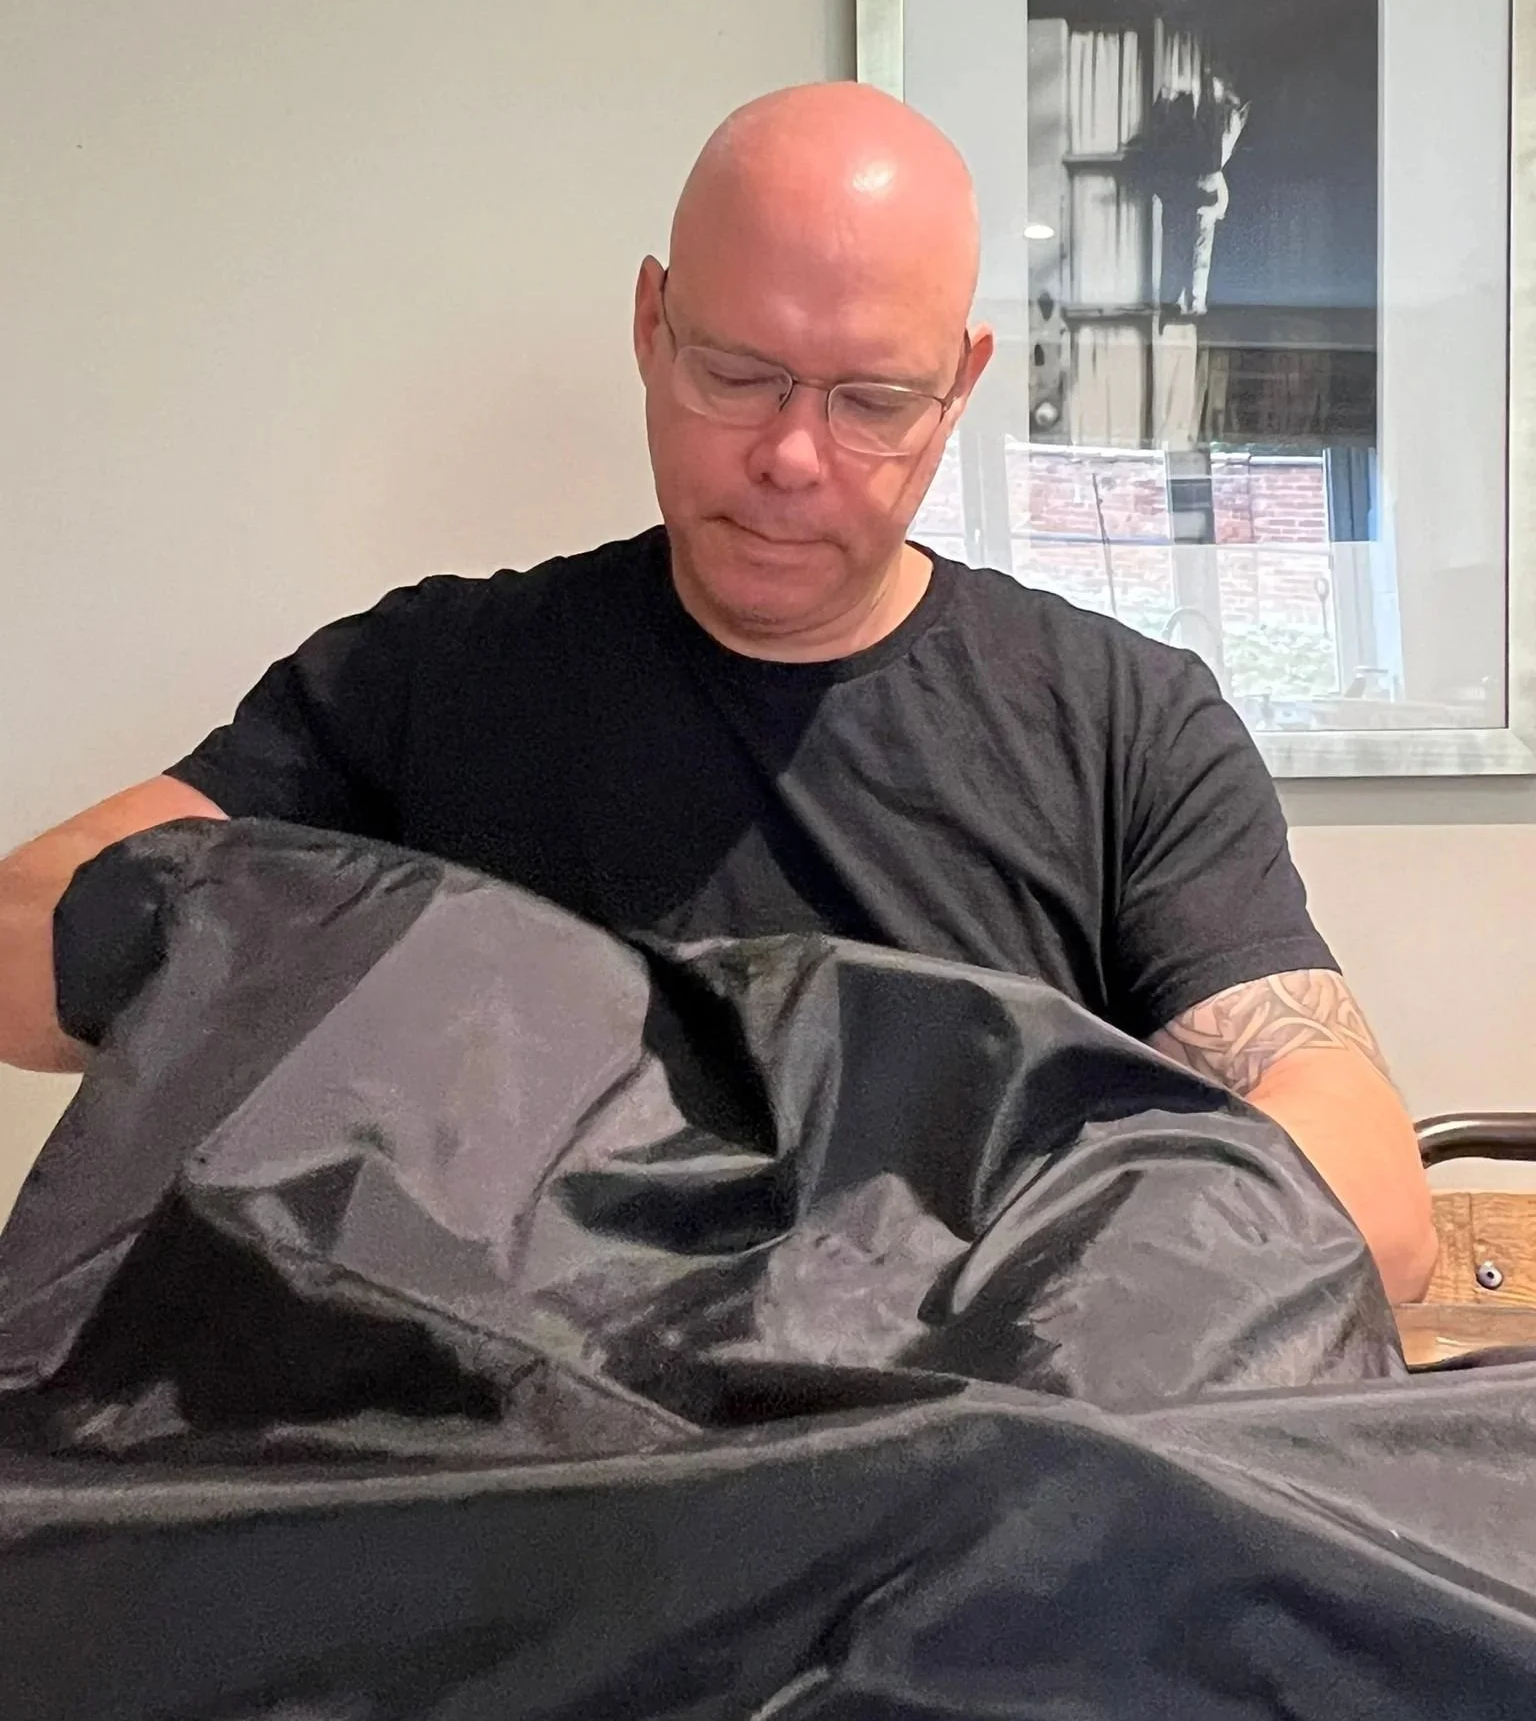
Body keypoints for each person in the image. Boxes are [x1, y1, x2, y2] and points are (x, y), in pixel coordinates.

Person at [0, 82, 1436, 1303]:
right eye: (738, 373)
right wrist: (382, 994)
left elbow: (1373, 1198)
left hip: (961, 1517)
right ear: (650, 321)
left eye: (871, 399)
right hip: (528, 1504)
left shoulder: (1127, 725)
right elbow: (20, 937)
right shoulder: (427, 681)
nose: (793, 457)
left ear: (960, 385)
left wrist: (943, 1288)